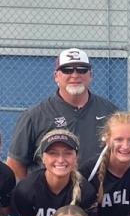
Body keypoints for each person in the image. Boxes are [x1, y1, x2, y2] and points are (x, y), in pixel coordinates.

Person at [7, 48, 120, 181]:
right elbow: (16, 164)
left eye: (82, 69)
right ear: (56, 76)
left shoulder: (110, 112)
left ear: (90, 74)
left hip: (97, 194)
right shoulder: (35, 115)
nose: (75, 75)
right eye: (67, 70)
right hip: (50, 197)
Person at [9, 128, 105, 216]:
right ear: (43, 157)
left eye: (67, 153)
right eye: (53, 153)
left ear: (75, 157)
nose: (60, 159)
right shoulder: (27, 189)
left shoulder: (85, 190)